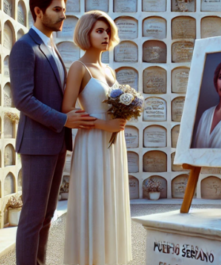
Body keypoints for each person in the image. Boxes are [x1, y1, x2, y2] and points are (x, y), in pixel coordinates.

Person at [9, 0, 97, 264]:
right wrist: (63, 119)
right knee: (32, 218)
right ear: (38, 11)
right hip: (37, 145)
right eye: (57, 9)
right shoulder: (24, 47)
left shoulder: (50, 46)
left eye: (64, 9)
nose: (64, 15)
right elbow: (23, 100)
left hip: (57, 143)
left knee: (47, 216)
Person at [62, 10, 132, 265]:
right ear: (86, 32)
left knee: (110, 201)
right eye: (99, 30)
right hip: (92, 143)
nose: (105, 35)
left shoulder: (109, 69)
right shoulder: (79, 68)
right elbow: (67, 110)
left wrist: (123, 116)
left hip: (113, 145)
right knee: (93, 200)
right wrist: (106, 125)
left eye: (108, 31)